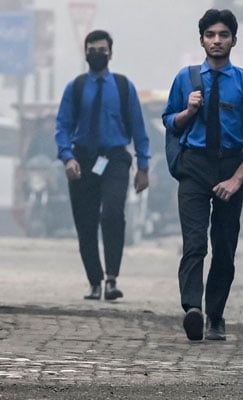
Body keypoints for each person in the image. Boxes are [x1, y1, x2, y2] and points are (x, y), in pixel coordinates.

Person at [162, 9, 243, 341]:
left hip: (230, 166)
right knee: (194, 242)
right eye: (210, 35)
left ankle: (217, 316)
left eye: (223, 35)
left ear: (233, 40)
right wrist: (189, 110)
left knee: (223, 246)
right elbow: (169, 121)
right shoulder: (186, 78)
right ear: (202, 41)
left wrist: (237, 179)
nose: (217, 41)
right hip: (194, 165)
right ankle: (192, 308)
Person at [55, 29, 150, 301]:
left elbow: (138, 127)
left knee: (111, 213)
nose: (97, 54)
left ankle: (111, 278)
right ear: (85, 53)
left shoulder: (122, 87)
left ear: (111, 53)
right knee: (85, 223)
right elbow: (62, 125)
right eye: (92, 50)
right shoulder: (76, 87)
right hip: (82, 159)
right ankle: (94, 281)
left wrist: (143, 167)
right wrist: (67, 157)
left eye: (102, 50)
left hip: (115, 159)